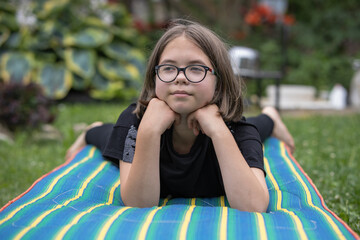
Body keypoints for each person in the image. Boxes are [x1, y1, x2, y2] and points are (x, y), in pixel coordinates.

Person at [66, 19, 295, 212]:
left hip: (225, 126)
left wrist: (217, 130)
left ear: (219, 82)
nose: (180, 77)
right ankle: (91, 128)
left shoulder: (237, 130)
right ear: (154, 77)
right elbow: (138, 204)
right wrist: (149, 131)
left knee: (258, 127)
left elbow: (253, 205)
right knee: (110, 137)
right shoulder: (137, 121)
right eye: (168, 68)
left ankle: (271, 117)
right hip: (141, 127)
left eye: (196, 68)